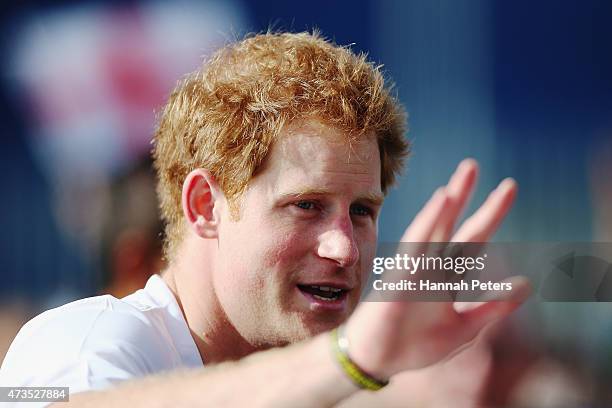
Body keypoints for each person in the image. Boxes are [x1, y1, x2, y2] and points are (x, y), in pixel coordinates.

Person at [0, 31, 528, 407]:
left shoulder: (329, 382)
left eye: (362, 211)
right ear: (205, 206)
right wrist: (353, 359)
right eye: (306, 205)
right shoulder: (81, 342)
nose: (344, 249)